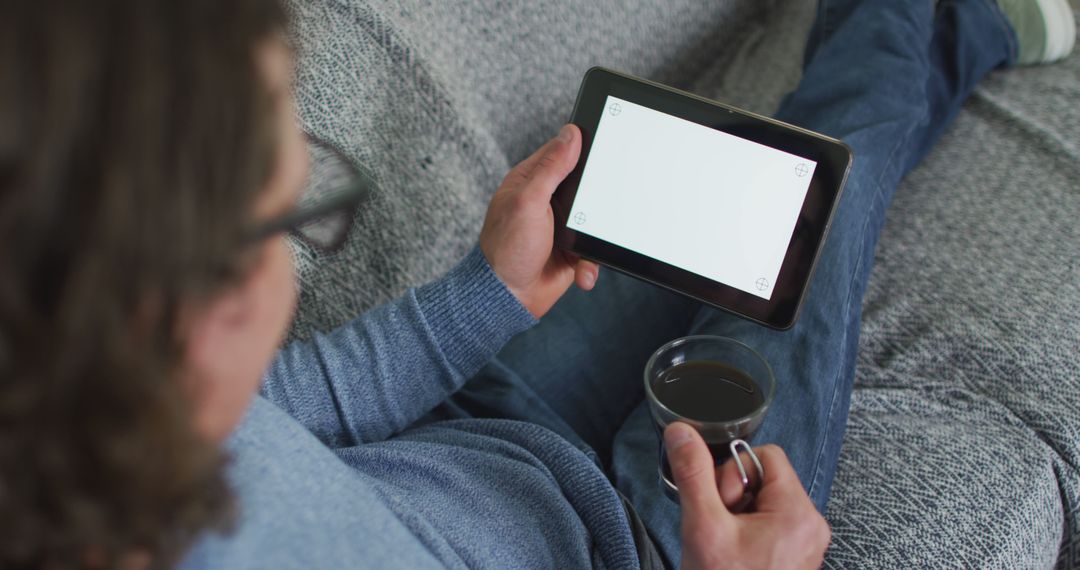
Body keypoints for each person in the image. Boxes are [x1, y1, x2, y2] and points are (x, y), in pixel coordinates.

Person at [0, 0, 1072, 568]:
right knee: (845, 168)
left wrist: (486, 294)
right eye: (292, 215)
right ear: (188, 320)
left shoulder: (84, 401)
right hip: (654, 546)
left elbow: (287, 408)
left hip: (484, 430)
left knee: (783, 186)